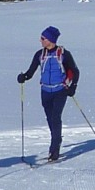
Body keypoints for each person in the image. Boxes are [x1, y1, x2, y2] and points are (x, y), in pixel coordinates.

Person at [16, 26, 80, 163]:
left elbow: (75, 71)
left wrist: (73, 87)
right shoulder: (40, 54)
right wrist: (23, 77)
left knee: (56, 117)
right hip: (45, 91)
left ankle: (54, 148)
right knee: (50, 119)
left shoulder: (63, 54)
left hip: (60, 91)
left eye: (43, 38)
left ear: (50, 40)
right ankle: (57, 138)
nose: (40, 40)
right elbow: (30, 72)